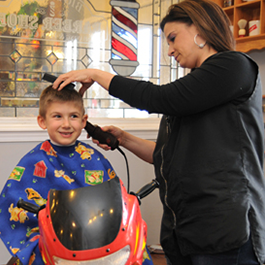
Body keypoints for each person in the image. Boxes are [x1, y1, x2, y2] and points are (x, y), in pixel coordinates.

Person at [52, 0, 265, 264]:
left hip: (224, 227)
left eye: (173, 38)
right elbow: (164, 155)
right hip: (185, 227)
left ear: (200, 28)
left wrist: (96, 74)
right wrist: (124, 139)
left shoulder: (234, 66)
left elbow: (156, 98)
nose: (170, 50)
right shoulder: (193, 92)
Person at [0, 86, 153, 264]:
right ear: (42, 121)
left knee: (138, 253)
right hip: (53, 238)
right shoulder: (34, 161)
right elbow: (12, 200)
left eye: (73, 116)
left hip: (99, 237)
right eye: (57, 116)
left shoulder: (94, 158)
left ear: (83, 121)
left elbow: (117, 199)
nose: (66, 124)